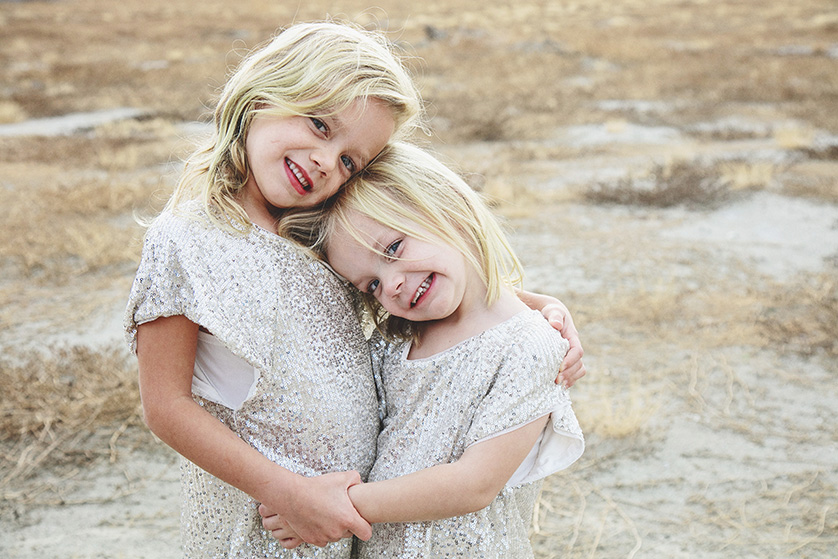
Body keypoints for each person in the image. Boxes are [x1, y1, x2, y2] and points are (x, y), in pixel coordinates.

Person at [125, 19, 584, 559]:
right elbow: (166, 406)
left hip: (350, 525)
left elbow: (416, 274)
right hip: (269, 525)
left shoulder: (313, 231)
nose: (325, 162)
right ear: (264, 93)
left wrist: (539, 310)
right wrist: (287, 493)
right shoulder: (187, 240)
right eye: (320, 125)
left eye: (349, 160)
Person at [262, 141, 585, 557]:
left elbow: (474, 484)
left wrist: (328, 507)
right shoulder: (394, 344)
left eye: (393, 249)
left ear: (445, 206)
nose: (391, 284)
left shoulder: (530, 346)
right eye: (372, 285)